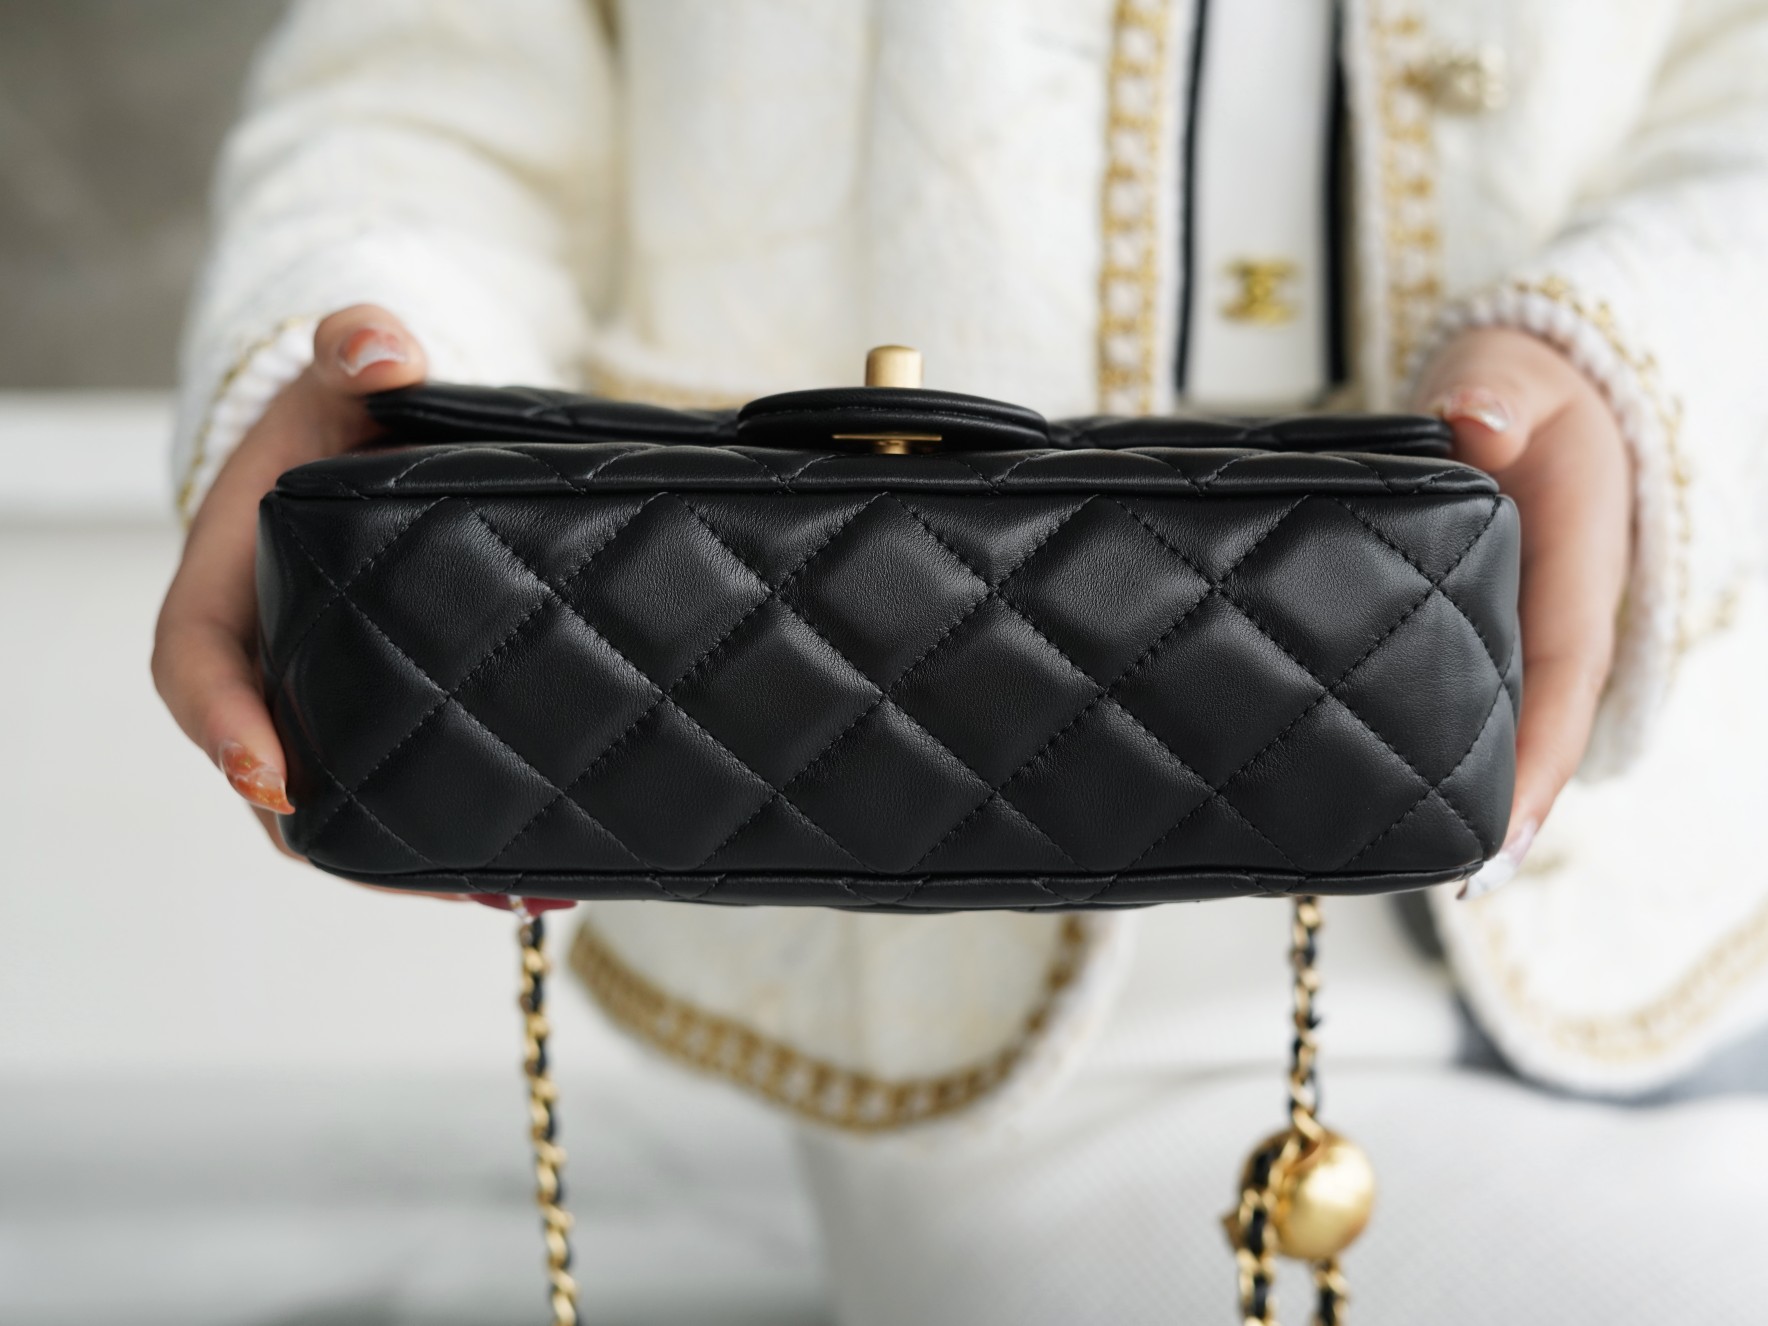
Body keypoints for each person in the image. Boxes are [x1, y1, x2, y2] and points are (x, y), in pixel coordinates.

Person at [152, 2, 1768, 1321]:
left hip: (1691, 867)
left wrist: (1623, 345)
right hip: (988, 996)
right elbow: (435, 89)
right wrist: (386, 356)